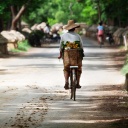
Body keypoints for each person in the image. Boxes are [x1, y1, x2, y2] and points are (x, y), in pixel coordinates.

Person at [58, 20, 84, 90]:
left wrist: (60, 55)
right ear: (74, 28)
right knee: (78, 69)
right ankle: (78, 83)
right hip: (77, 56)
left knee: (66, 69)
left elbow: (61, 47)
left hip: (67, 55)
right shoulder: (78, 36)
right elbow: (81, 46)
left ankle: (66, 81)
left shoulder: (63, 36)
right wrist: (82, 54)